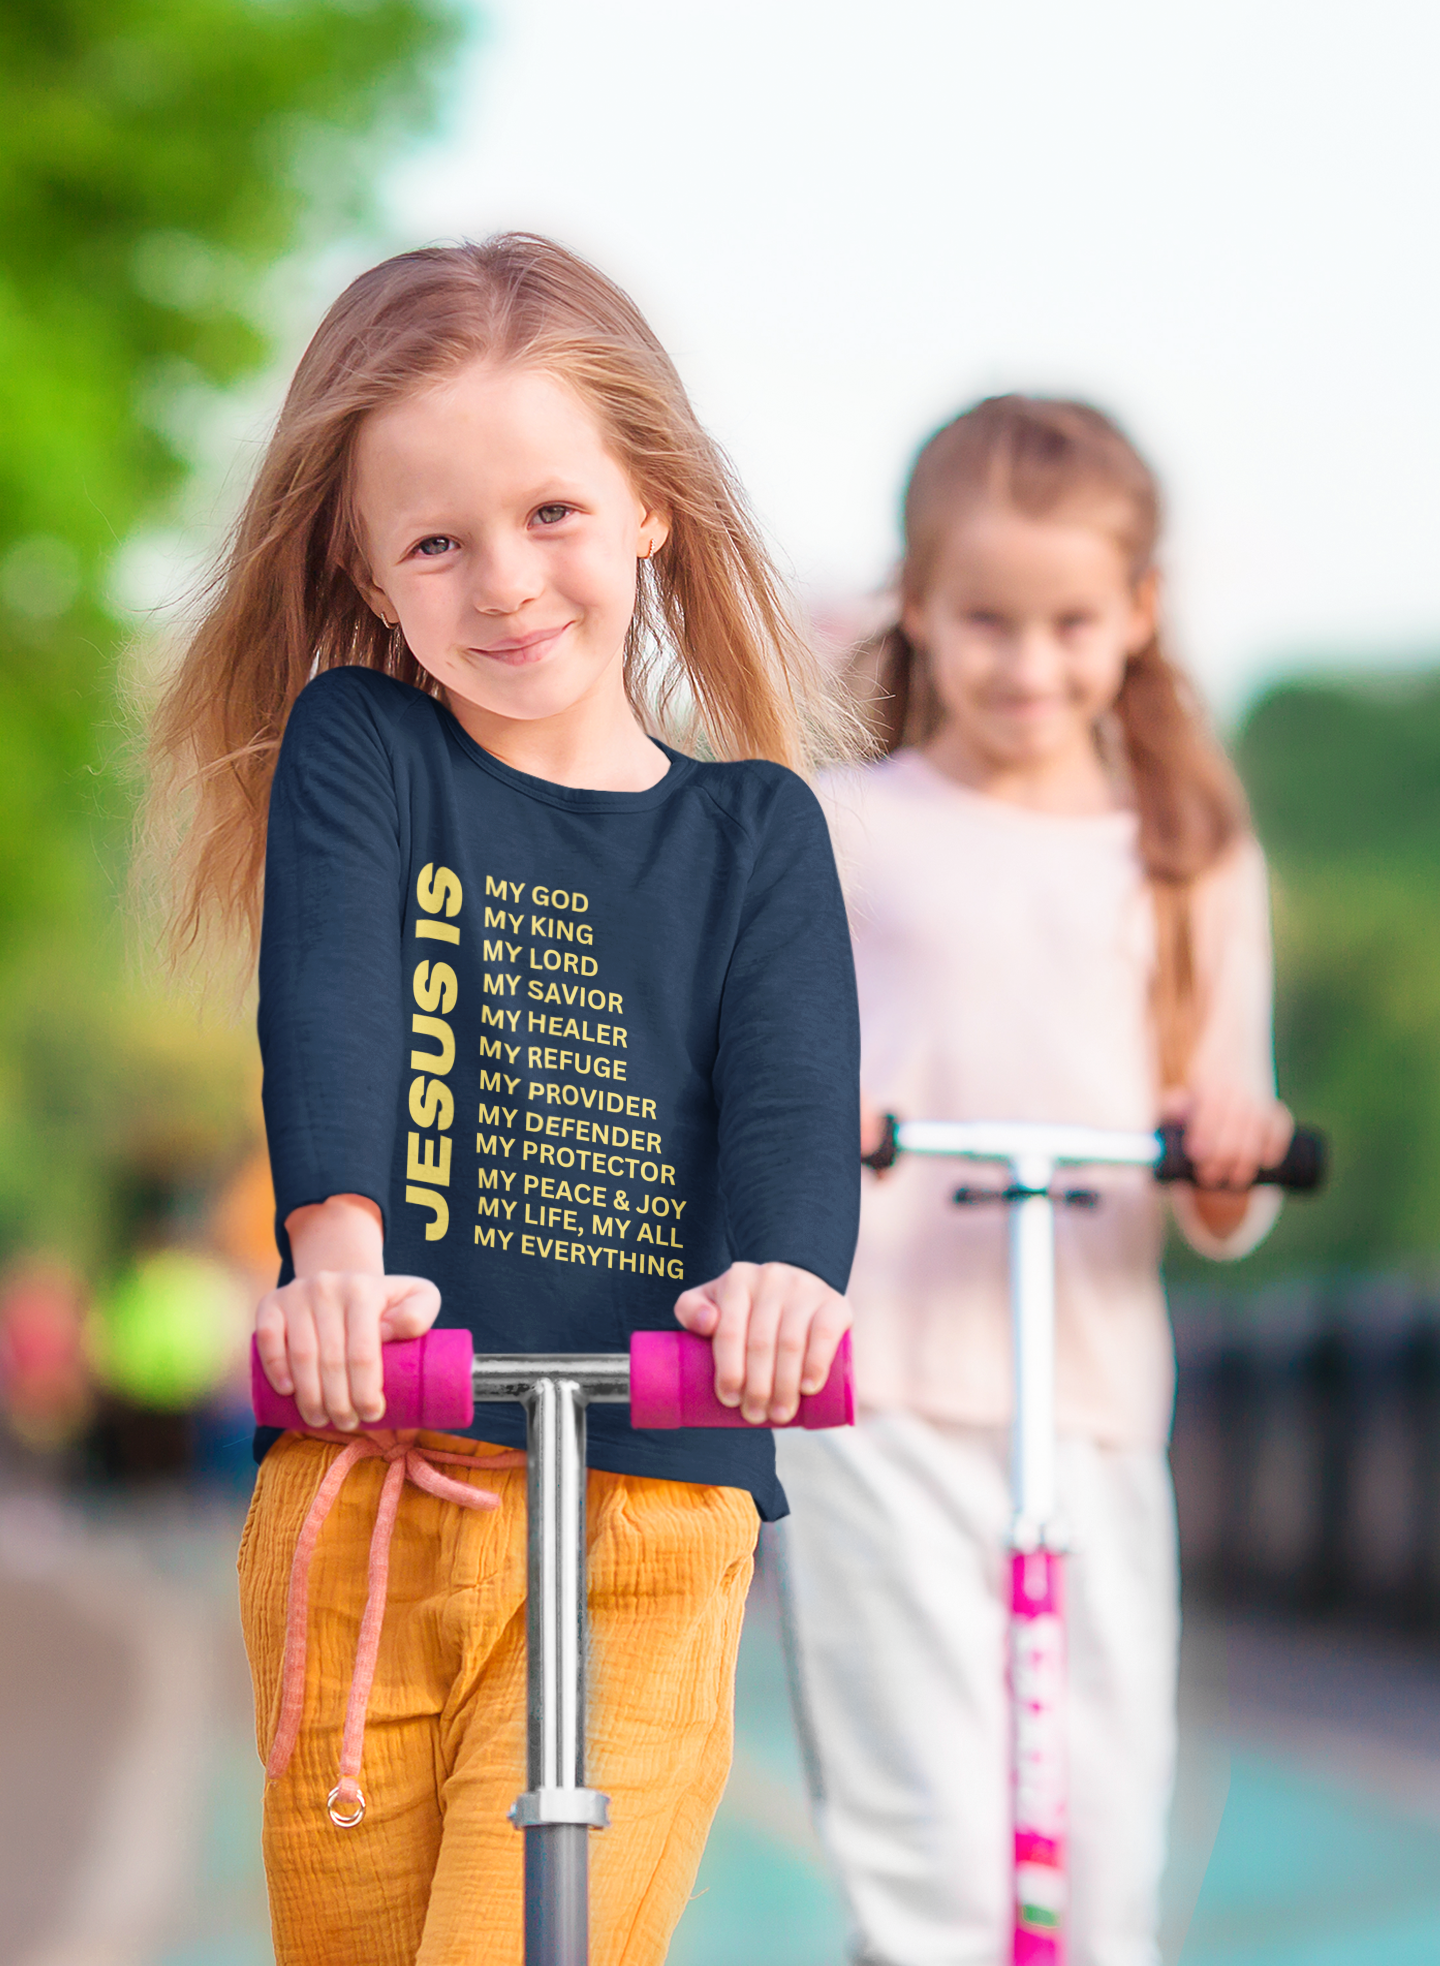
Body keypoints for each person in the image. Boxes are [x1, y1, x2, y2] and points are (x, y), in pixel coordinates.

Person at [147, 234, 860, 1966]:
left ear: (650, 511)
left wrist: (784, 1276)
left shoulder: (756, 831)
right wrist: (336, 1251)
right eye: (439, 541)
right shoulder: (363, 749)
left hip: (650, 1505)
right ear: (369, 571)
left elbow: (786, 1094)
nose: (507, 582)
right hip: (383, 1492)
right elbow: (327, 994)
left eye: (552, 513)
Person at [775, 396, 1292, 1966]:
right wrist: (817, 1112)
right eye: (986, 620)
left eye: (1072, 623)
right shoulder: (840, 828)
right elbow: (769, 1070)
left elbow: (1230, 1156)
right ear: (917, 607)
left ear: (1137, 615)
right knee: (933, 1846)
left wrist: (1229, 1139)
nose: (1029, 664)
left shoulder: (1187, 852)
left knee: (1101, 1848)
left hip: (1089, 1399)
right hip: (883, 1394)